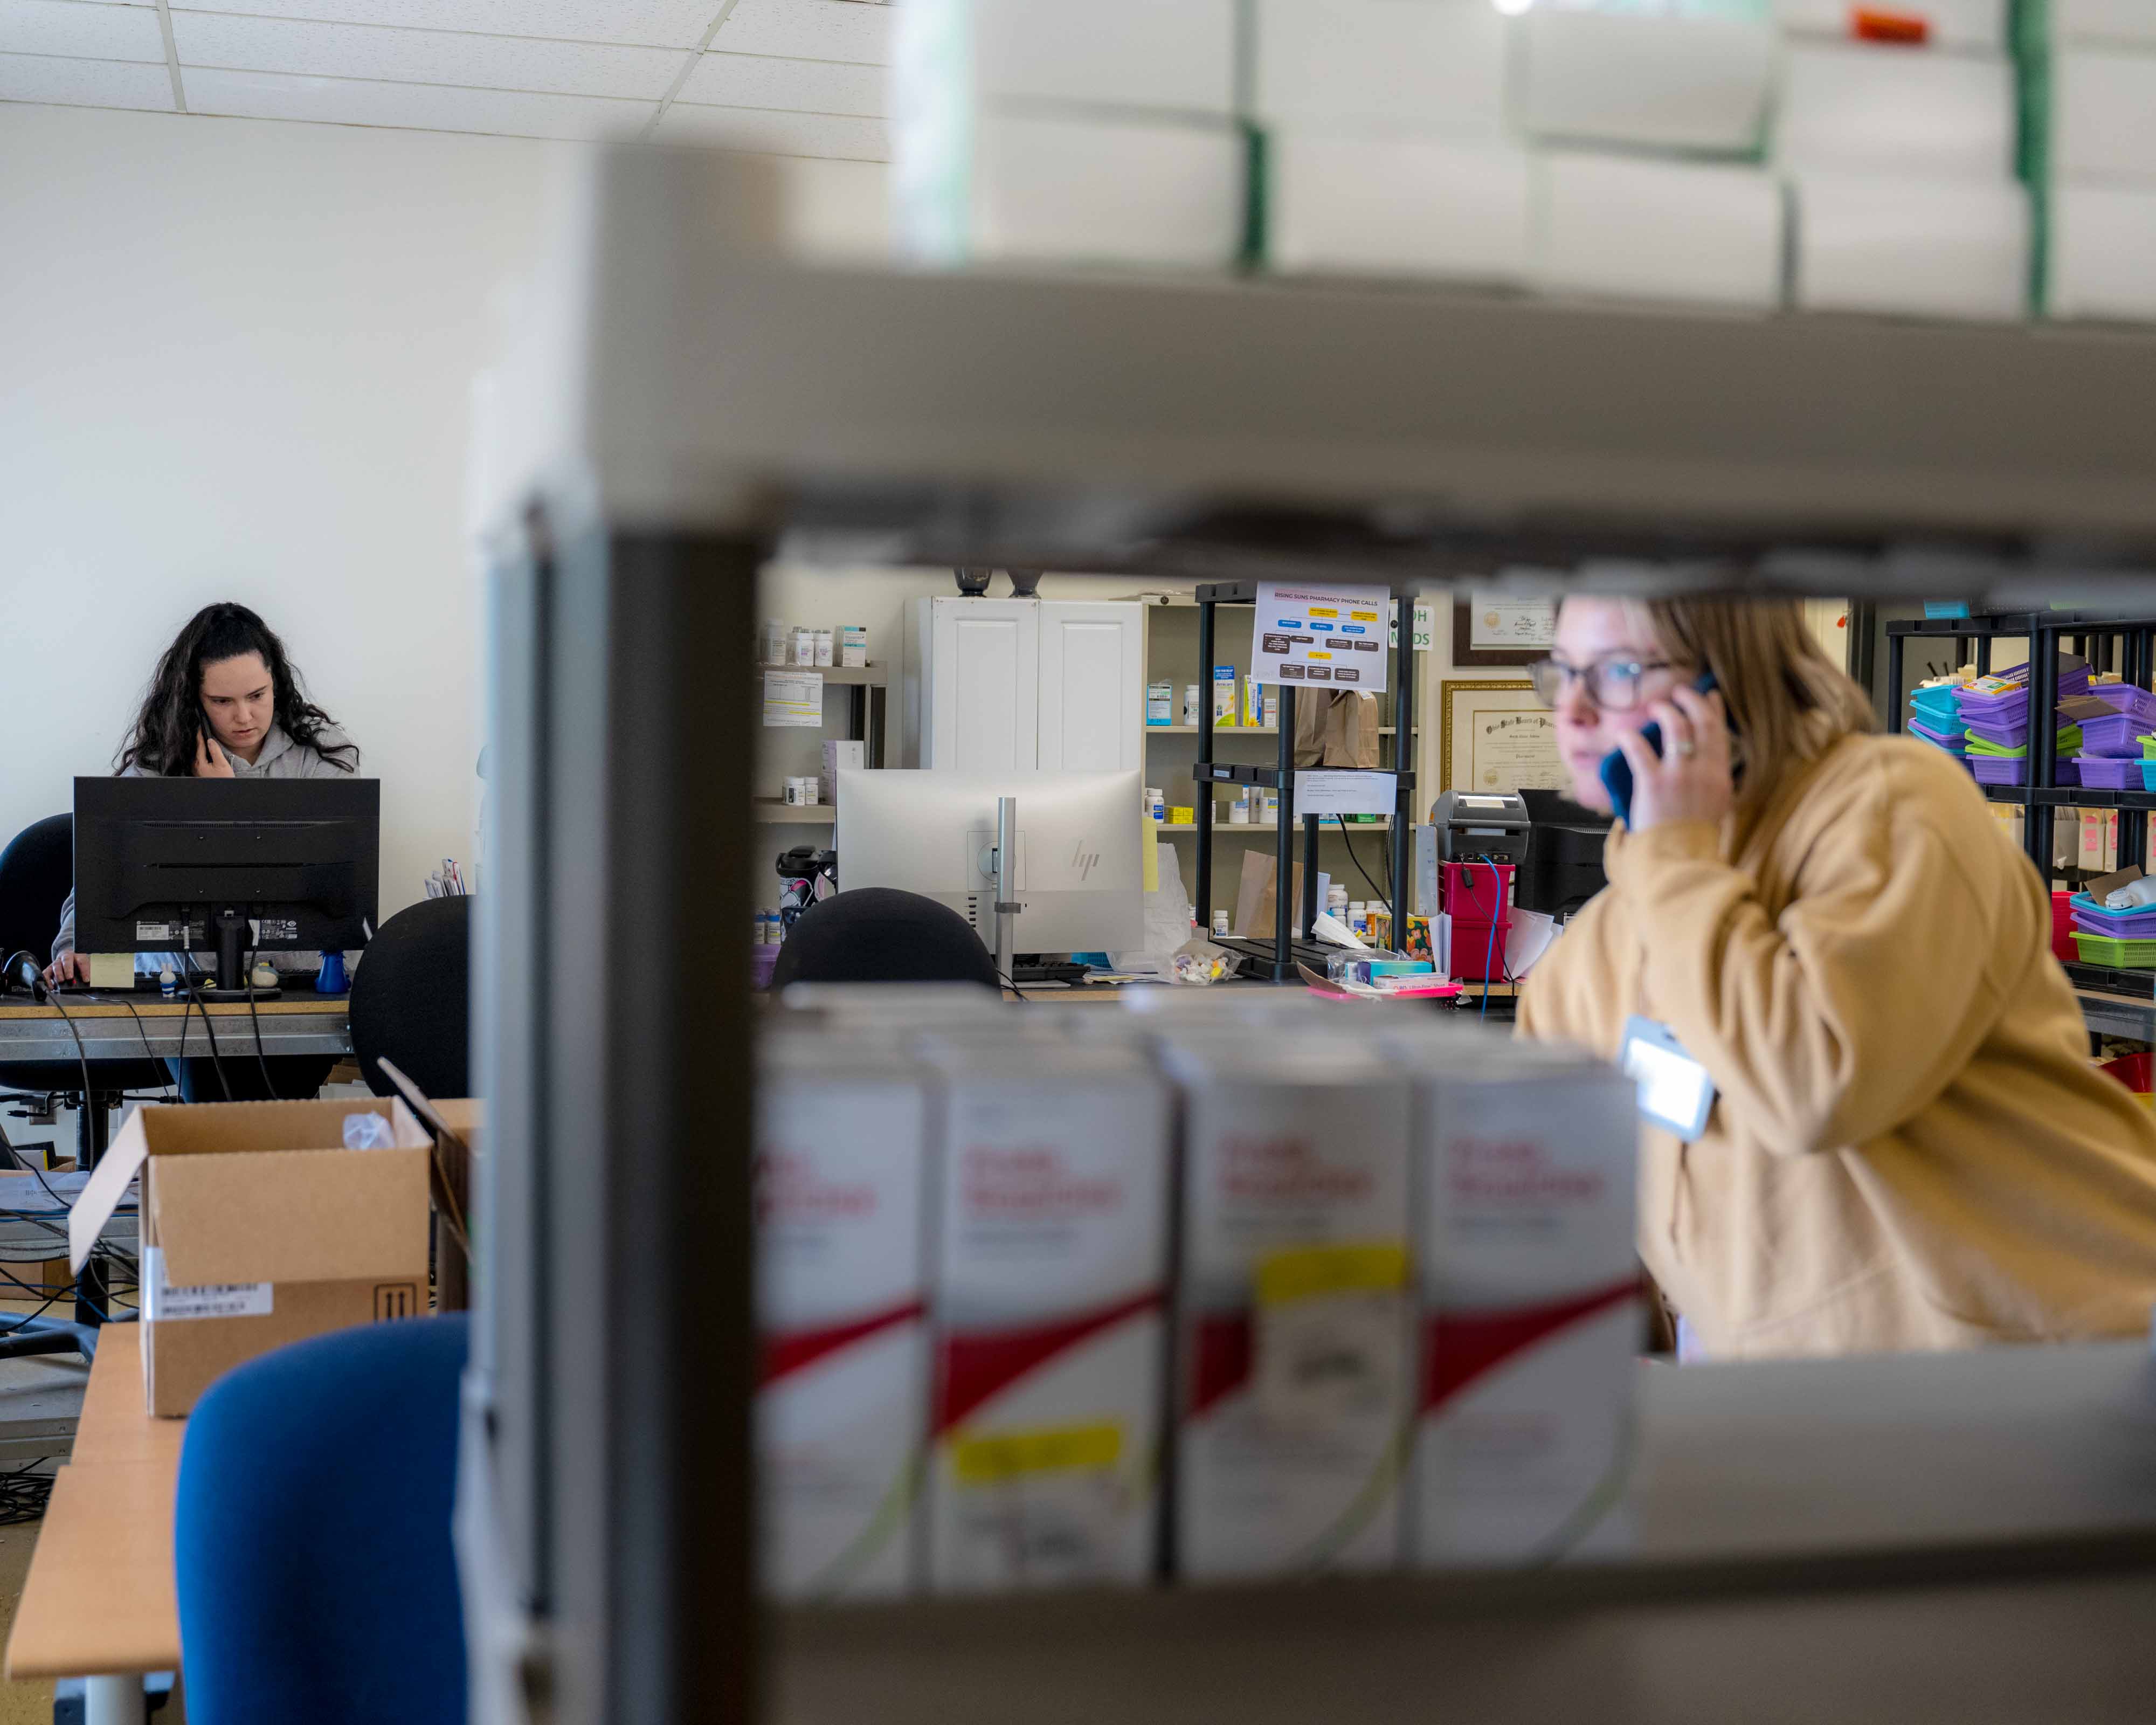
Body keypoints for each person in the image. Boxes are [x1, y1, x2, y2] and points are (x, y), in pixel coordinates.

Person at [1517, 596, 2156, 1358]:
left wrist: (1674, 854)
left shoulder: (1891, 805)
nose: (1576, 712)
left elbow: (1814, 1089)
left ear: (1731, 681)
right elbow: (1586, 1246)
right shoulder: (1585, 964)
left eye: (1620, 671)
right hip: (1810, 1424)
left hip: (2049, 1385)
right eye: (1563, 673)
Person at [47, 603, 360, 1102]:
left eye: (257, 696)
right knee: (217, 1096)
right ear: (194, 700)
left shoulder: (321, 757)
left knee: (276, 1112)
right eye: (222, 701)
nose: (244, 716)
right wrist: (72, 951)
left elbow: (326, 880)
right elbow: (101, 877)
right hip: (185, 992)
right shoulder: (156, 766)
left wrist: (226, 805)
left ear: (276, 682)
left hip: (295, 984)